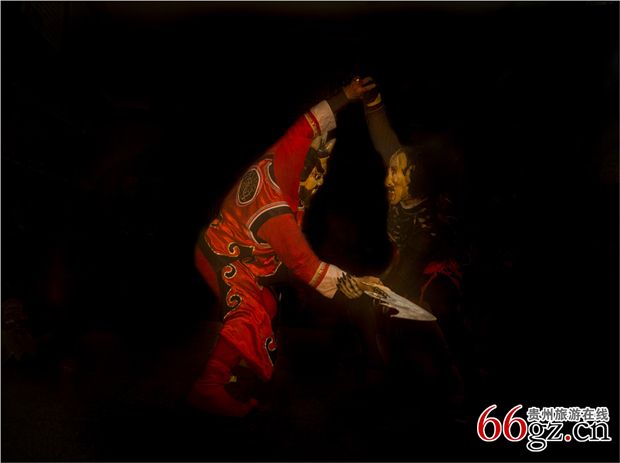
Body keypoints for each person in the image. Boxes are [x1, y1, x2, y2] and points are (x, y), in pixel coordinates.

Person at [189, 77, 379, 417]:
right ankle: (208, 386)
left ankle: (235, 370)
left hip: (246, 252)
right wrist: (353, 284)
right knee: (249, 311)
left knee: (266, 304)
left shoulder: (286, 155)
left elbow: (306, 125)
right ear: (305, 165)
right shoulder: (275, 209)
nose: (320, 179)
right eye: (317, 171)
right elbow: (305, 265)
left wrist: (346, 95)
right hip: (223, 255)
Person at [341, 77, 474, 414]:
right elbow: (384, 139)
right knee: (374, 309)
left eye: (396, 174)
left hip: (435, 280)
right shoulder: (401, 180)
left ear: (413, 177)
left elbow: (408, 272)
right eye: (390, 171)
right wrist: (372, 100)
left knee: (420, 311)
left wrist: (374, 286)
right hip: (404, 270)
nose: (388, 179)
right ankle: (392, 379)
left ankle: (455, 386)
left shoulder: (429, 227)